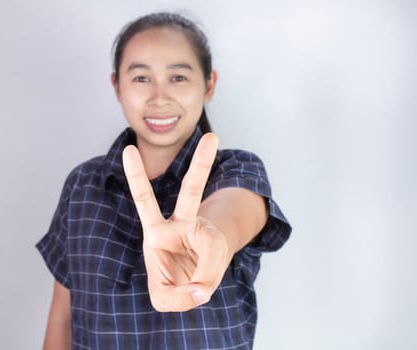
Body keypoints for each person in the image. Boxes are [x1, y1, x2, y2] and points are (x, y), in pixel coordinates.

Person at [36, 11, 291, 350]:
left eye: (178, 77)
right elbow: (62, 317)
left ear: (209, 84)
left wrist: (208, 236)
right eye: (141, 78)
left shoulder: (237, 170)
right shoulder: (81, 186)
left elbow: (231, 212)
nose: (159, 97)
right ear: (117, 86)